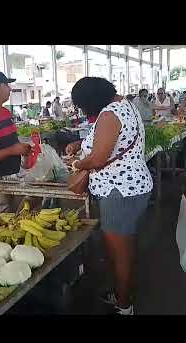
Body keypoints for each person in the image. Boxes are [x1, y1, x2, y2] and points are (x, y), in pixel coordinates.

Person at [65, 77, 153, 315]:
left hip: (119, 192)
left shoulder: (108, 114)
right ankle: (122, 293)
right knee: (125, 246)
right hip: (131, 187)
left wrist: (76, 163)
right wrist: (81, 143)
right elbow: (112, 139)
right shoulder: (124, 105)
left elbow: (98, 159)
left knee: (120, 254)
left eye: (83, 106)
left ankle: (124, 305)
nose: (84, 111)